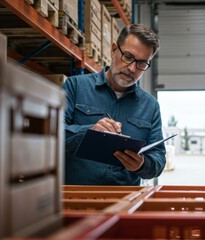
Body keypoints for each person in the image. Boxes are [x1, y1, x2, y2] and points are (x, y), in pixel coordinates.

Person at [63, 24, 166, 185]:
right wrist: (88, 132)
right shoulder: (75, 87)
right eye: (128, 56)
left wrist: (141, 165)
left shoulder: (150, 106)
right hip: (76, 198)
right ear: (113, 50)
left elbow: (158, 159)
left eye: (142, 63)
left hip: (124, 203)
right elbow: (52, 136)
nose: (132, 68)